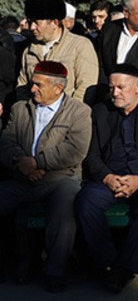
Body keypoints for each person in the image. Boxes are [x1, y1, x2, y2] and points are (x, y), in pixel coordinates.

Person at [75, 63, 138, 293]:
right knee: (85, 201)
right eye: (111, 88)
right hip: (109, 177)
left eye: (121, 87)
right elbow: (91, 154)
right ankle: (109, 262)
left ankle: (125, 268)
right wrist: (107, 177)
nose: (115, 93)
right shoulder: (100, 111)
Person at [0, 61, 91, 293]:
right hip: (22, 176)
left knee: (63, 211)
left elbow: (75, 150)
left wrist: (38, 162)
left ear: (58, 88)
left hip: (61, 179)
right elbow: (6, 141)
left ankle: (55, 271)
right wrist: (21, 162)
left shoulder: (79, 112)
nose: (33, 89)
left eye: (39, 85)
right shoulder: (20, 109)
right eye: (32, 83)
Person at [16, 0, 98, 104]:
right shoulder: (29, 50)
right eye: (30, 22)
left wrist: (69, 114)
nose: (32, 27)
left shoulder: (80, 45)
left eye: (36, 22)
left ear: (55, 23)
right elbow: (22, 85)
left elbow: (86, 87)